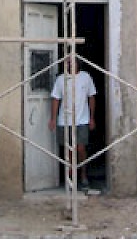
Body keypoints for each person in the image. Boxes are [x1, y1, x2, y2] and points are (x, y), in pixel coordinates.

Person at [48, 58, 96, 189]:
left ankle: (83, 174)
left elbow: (91, 97)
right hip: (65, 121)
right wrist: (53, 119)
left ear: (78, 63)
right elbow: (56, 99)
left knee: (80, 148)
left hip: (82, 120)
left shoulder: (86, 77)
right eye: (68, 62)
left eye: (73, 62)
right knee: (68, 151)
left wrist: (92, 118)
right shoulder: (61, 79)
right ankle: (70, 177)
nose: (70, 64)